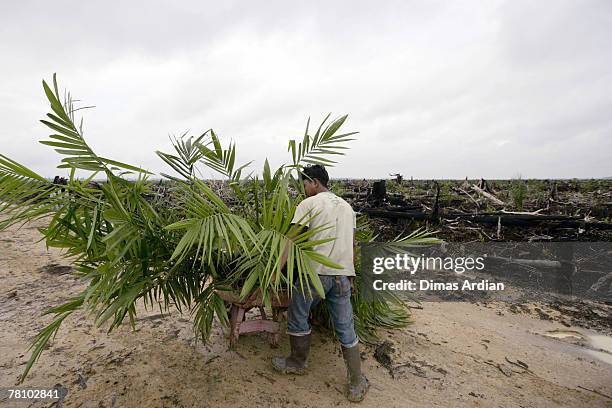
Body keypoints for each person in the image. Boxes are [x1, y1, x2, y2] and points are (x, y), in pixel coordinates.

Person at [272, 164, 369, 403]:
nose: (304, 189)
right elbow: (352, 245)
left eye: (304, 184)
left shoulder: (309, 204)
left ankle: (297, 361)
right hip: (342, 276)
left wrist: (276, 271)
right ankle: (357, 381)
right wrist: (352, 276)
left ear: (315, 182)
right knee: (345, 326)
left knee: (297, 311)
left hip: (316, 274)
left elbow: (290, 239)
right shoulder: (347, 208)